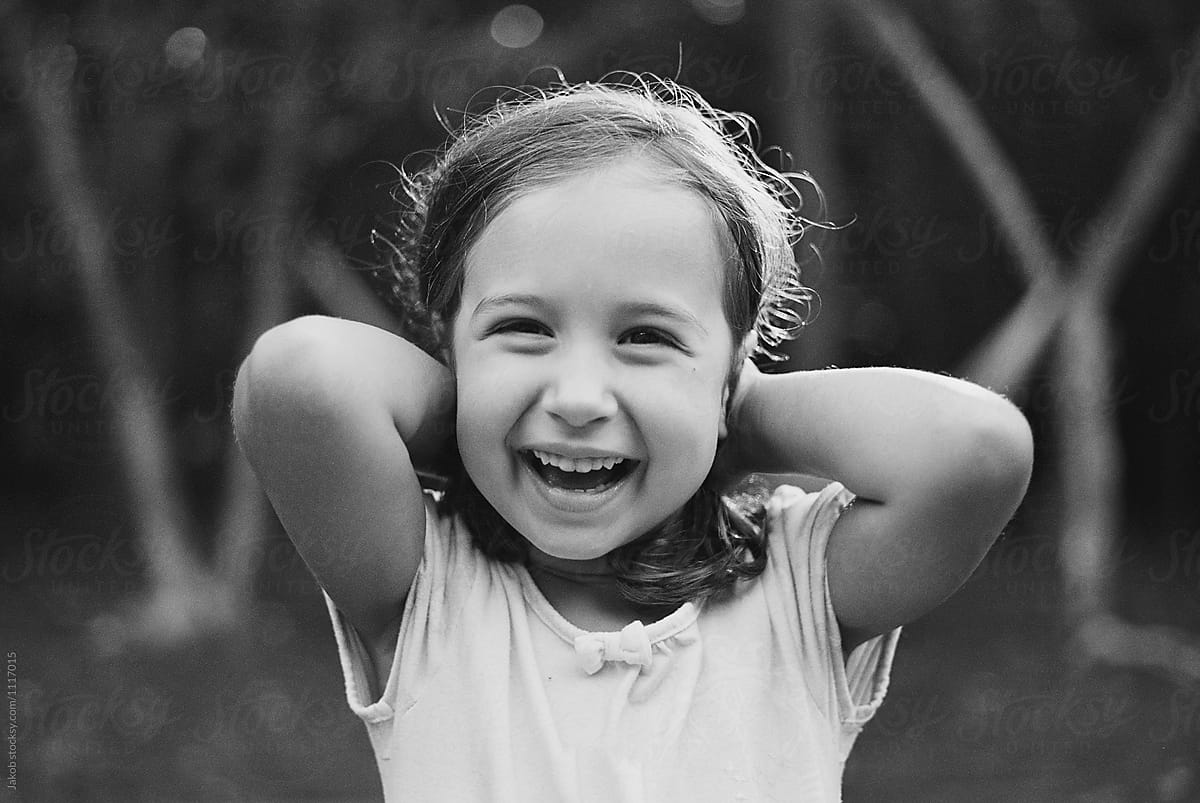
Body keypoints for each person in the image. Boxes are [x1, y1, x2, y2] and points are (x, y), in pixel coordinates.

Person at [231, 78, 1033, 801]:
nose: (578, 399)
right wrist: (485, 416)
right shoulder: (423, 589)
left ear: (731, 370)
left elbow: (976, 448)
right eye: (521, 328)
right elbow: (301, 376)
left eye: (646, 337)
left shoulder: (798, 589)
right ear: (449, 341)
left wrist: (731, 417)